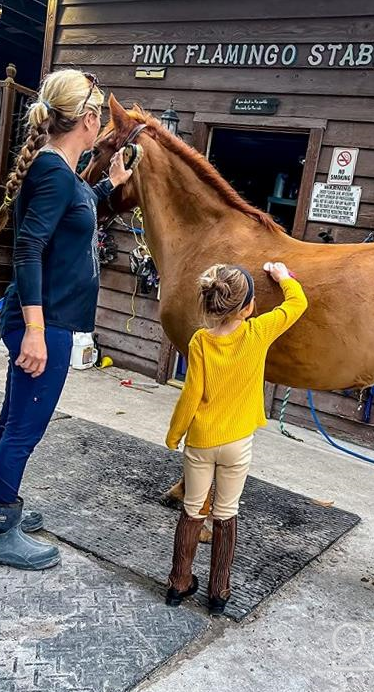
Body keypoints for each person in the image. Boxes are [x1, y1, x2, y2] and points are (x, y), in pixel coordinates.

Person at [0, 69, 132, 570]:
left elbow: (74, 212)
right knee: (24, 429)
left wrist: (110, 187)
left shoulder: (62, 172)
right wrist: (34, 331)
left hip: (47, 319)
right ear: (91, 118)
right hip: (43, 322)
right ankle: (2, 524)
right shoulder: (54, 172)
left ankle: (2, 503)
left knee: (13, 420)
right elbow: (28, 247)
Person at [165, 261, 308, 615]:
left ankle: (179, 583)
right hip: (238, 443)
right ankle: (219, 592)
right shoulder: (258, 332)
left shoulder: (201, 341)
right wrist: (285, 278)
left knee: (193, 510)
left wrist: (175, 434)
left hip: (201, 441)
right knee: (226, 514)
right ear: (248, 307)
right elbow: (297, 304)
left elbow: (191, 393)